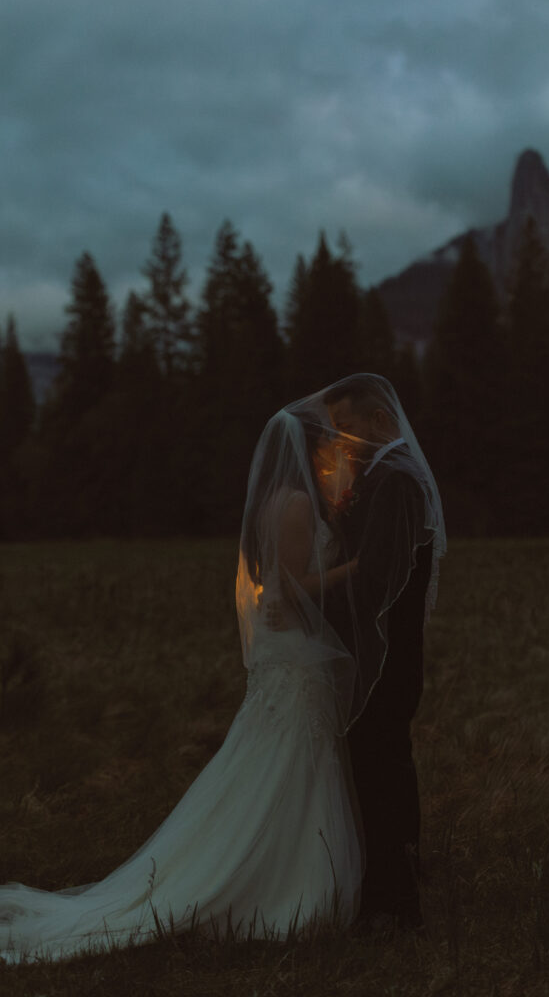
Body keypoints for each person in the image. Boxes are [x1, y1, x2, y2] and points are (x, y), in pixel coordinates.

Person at [0, 410, 361, 963]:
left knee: (276, 758)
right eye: (331, 449)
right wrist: (356, 569)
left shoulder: (282, 500)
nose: (339, 458)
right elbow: (290, 591)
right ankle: (279, 888)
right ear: (310, 453)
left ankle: (281, 872)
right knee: (286, 759)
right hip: (292, 656)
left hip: (286, 650)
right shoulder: (294, 505)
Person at [285, 374, 446, 929]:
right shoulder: (384, 476)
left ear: (380, 420)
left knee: (379, 769)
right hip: (387, 653)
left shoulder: (397, 479)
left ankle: (393, 904)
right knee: (384, 765)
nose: (343, 441)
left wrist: (306, 609)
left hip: (385, 655)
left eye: (348, 427)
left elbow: (379, 577)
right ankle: (396, 882)